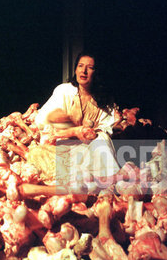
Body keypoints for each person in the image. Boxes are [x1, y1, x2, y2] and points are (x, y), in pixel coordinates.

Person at [35, 52, 120, 189]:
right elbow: (42, 120)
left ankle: (114, 183)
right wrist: (73, 131)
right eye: (80, 66)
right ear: (75, 69)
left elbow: (106, 128)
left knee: (102, 138)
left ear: (96, 72)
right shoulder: (64, 91)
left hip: (90, 147)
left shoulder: (105, 99)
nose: (84, 71)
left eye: (90, 67)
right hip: (62, 144)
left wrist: (88, 133)